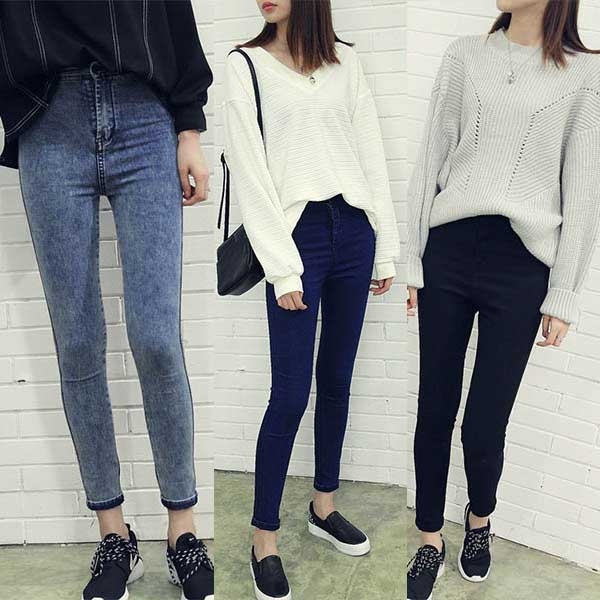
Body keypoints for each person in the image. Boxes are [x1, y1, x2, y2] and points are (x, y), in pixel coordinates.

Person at [0, 2, 214, 599]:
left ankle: (182, 530)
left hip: (144, 117)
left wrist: (189, 130)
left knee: (156, 338)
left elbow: (173, 16)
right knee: (77, 342)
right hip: (50, 121)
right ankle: (113, 534)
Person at [405, 1, 600, 599]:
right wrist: (411, 257)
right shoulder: (465, 56)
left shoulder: (584, 74)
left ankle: (479, 520)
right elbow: (431, 156)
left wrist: (564, 292)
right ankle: (428, 535)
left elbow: (583, 187)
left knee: (486, 420)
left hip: (521, 266)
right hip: (449, 249)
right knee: (435, 406)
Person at [222, 1, 400, 598]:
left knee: (338, 382)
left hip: (354, 232)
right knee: (291, 393)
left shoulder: (346, 63)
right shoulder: (246, 65)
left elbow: (371, 155)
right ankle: (263, 537)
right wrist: (283, 268)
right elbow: (249, 171)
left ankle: (324, 506)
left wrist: (385, 249)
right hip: (295, 238)